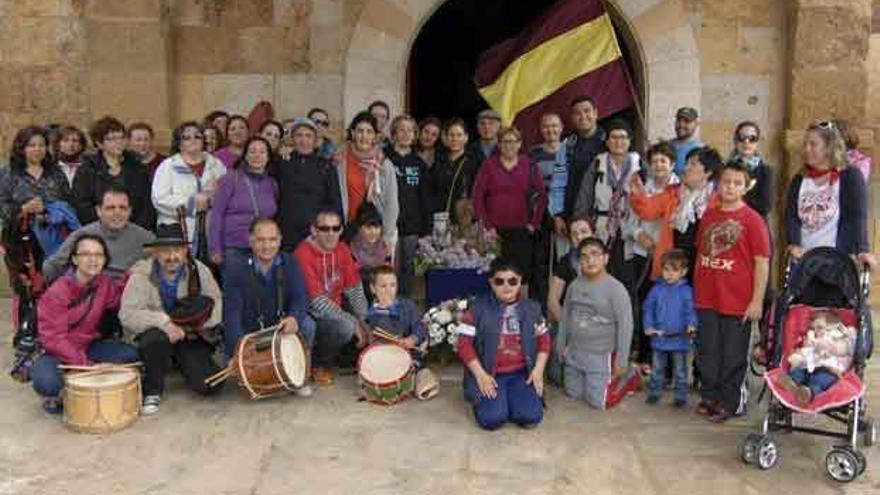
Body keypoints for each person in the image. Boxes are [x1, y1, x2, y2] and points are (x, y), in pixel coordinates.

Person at [119, 223, 224, 415]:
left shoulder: (199, 271)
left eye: (177, 250)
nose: (172, 257)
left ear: (185, 251)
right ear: (155, 253)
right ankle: (152, 390)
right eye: (165, 251)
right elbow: (127, 314)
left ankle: (179, 363)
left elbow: (217, 304)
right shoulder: (141, 275)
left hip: (189, 335)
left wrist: (190, 327)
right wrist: (164, 322)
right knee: (155, 339)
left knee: (211, 384)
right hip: (155, 336)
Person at [694, 161, 770, 423]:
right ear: (718, 183)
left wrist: (757, 300)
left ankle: (732, 400)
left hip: (738, 302)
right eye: (726, 181)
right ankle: (710, 396)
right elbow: (700, 253)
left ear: (746, 187)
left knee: (733, 355)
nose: (730, 187)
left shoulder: (753, 220)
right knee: (708, 351)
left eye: (737, 183)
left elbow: (762, 262)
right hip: (707, 298)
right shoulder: (709, 215)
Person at [31, 234, 139, 414]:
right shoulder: (57, 292)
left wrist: (129, 276)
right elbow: (53, 339)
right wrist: (87, 366)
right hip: (55, 352)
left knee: (130, 355)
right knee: (47, 383)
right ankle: (58, 389)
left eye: (99, 254)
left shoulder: (103, 282)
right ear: (74, 259)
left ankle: (71, 381)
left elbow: (115, 299)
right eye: (86, 254)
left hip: (87, 345)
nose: (93, 259)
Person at [222, 217, 316, 396]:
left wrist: (294, 317)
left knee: (308, 325)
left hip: (280, 328)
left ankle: (299, 377)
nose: (267, 246)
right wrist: (239, 350)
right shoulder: (235, 268)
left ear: (280, 240)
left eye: (272, 240)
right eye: (260, 240)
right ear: (250, 241)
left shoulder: (290, 262)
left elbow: (301, 297)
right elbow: (231, 315)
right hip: (251, 332)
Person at [457, 258, 549, 430]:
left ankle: (510, 399)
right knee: (491, 420)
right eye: (500, 281)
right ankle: (501, 402)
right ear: (491, 282)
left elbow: (544, 339)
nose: (507, 286)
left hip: (521, 373)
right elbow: (464, 345)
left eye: (512, 281)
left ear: (520, 281)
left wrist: (538, 370)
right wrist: (480, 375)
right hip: (490, 374)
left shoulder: (532, 308)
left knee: (531, 416)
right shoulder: (477, 308)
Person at [557, 237, 637, 410]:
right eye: (584, 256)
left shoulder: (616, 289)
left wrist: (622, 360)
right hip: (576, 352)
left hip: (601, 354)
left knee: (598, 402)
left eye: (595, 254)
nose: (590, 260)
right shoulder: (574, 286)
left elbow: (626, 325)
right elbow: (565, 317)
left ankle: (630, 376)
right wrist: (561, 346)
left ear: (605, 258)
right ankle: (594, 379)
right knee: (573, 393)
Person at [293, 209, 369, 386]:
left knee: (365, 316)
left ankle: (339, 357)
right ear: (314, 230)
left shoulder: (342, 249)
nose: (330, 234)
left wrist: (366, 323)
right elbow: (317, 302)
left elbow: (355, 290)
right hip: (311, 314)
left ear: (342, 230)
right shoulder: (303, 253)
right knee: (345, 326)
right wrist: (354, 322)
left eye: (335, 228)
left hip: (335, 311)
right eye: (324, 228)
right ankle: (318, 363)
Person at [784, 121, 873, 267]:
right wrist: (794, 243)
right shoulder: (799, 179)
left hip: (838, 259)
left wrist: (862, 249)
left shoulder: (850, 176)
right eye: (805, 144)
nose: (806, 149)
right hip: (804, 261)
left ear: (828, 147)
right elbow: (791, 216)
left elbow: (857, 216)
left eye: (813, 144)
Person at [473, 126, 547, 294]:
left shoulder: (528, 165)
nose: (509, 146)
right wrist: (487, 227)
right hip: (495, 231)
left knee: (521, 275)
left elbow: (542, 196)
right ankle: (498, 316)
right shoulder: (489, 165)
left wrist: (533, 223)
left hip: (521, 229)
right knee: (496, 274)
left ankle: (520, 313)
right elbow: (477, 197)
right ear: (498, 144)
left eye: (513, 141)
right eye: (505, 142)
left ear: (520, 144)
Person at [43, 187, 154, 283]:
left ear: (130, 211)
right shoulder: (82, 236)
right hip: (91, 296)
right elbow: (51, 267)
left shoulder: (146, 238)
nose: (117, 212)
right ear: (98, 211)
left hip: (129, 297)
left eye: (123, 208)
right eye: (110, 208)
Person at [208, 136, 278, 273]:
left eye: (262, 152)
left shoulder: (272, 184)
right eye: (252, 151)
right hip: (234, 248)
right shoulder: (230, 179)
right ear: (245, 155)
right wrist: (215, 248)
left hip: (264, 248)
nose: (257, 155)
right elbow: (217, 214)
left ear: (268, 157)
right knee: (235, 292)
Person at [152, 121, 226, 247]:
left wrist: (212, 198)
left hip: (210, 229)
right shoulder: (168, 166)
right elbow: (159, 198)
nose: (193, 140)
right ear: (179, 144)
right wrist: (192, 202)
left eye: (197, 136)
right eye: (186, 137)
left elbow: (226, 193)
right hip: (175, 230)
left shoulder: (216, 165)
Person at [74, 116, 155, 230]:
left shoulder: (137, 167)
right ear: (99, 143)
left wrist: (133, 227)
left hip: (133, 229)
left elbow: (146, 204)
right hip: (98, 229)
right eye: (111, 139)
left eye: (121, 137)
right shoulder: (87, 169)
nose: (118, 142)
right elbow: (82, 204)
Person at [274, 117, 342, 250]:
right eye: (299, 135)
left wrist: (332, 230)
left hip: (316, 235)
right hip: (287, 235)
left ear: (315, 140)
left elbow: (335, 202)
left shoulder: (325, 166)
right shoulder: (282, 163)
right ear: (292, 139)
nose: (303, 140)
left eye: (308, 135)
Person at [0, 126, 74, 247]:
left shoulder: (55, 171)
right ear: (21, 148)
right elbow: (2, 205)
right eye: (31, 145)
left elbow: (68, 200)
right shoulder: (7, 172)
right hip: (21, 239)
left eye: (41, 145)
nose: (37, 149)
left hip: (56, 235)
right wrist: (23, 209)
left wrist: (48, 209)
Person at [336, 111, 399, 251]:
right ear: (352, 133)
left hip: (375, 231)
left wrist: (387, 235)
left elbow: (391, 202)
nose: (364, 136)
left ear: (375, 136)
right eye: (360, 131)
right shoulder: (340, 160)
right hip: (349, 229)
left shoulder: (383, 164)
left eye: (369, 132)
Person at [642, 249, 697, 407]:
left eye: (674, 270)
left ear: (684, 271)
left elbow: (690, 311)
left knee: (680, 370)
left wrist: (692, 324)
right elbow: (648, 309)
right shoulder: (656, 290)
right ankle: (654, 392)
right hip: (659, 338)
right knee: (657, 368)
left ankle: (680, 396)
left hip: (679, 338)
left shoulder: (687, 292)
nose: (669, 274)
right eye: (666, 269)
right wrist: (648, 326)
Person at [386, 114, 431, 297]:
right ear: (394, 134)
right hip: (389, 227)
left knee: (408, 270)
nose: (405, 134)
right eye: (401, 130)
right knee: (389, 270)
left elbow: (425, 198)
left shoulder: (419, 164)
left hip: (412, 227)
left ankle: (404, 306)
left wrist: (426, 228)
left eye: (410, 130)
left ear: (414, 135)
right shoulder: (384, 159)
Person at [546, 217, 593, 384]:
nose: (579, 237)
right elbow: (552, 301)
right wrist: (568, 326)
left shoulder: (606, 261)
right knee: (558, 377)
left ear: (593, 233)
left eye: (584, 232)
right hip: (567, 320)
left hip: (595, 323)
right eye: (574, 234)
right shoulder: (565, 262)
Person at [778, 309, 856, 407]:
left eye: (820, 327)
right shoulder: (814, 339)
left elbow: (843, 349)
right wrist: (799, 355)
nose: (816, 331)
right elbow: (807, 353)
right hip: (809, 366)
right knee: (799, 372)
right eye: (813, 328)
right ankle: (792, 383)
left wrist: (827, 346)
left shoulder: (842, 336)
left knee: (819, 381)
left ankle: (808, 393)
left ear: (835, 326)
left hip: (829, 369)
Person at [629, 141, 681, 280]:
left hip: (668, 256)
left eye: (663, 161)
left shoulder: (680, 191)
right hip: (641, 251)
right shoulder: (641, 187)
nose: (658, 165)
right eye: (654, 161)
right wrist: (639, 235)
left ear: (673, 164)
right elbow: (629, 217)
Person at [561, 96, 606, 228]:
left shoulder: (610, 142)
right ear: (572, 118)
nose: (583, 116)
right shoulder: (567, 144)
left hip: (602, 216)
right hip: (571, 215)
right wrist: (558, 215)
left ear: (596, 113)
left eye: (587, 111)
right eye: (577, 113)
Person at [364, 265, 427, 354]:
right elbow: (386, 329)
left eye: (392, 285)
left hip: (408, 354)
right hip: (383, 355)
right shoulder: (371, 313)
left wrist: (413, 338)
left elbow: (420, 326)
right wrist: (389, 308)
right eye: (383, 286)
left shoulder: (407, 305)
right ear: (373, 289)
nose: (388, 290)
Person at [431, 118, 479, 218]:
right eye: (451, 135)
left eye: (459, 135)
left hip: (463, 220)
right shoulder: (438, 161)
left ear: (466, 138)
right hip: (439, 219)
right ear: (445, 138)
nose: (455, 139)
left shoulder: (474, 162)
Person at [729, 121, 772, 218]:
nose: (746, 142)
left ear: (757, 142)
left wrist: (735, 195)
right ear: (735, 140)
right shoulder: (725, 168)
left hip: (755, 224)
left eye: (752, 138)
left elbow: (765, 206)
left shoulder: (765, 170)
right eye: (742, 138)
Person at [350, 203, 391, 294]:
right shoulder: (352, 250)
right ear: (359, 228)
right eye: (368, 227)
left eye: (376, 227)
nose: (373, 232)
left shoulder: (385, 249)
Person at [670, 107, 703, 175]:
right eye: (679, 120)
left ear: (696, 123)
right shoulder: (667, 146)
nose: (681, 125)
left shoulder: (701, 150)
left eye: (686, 121)